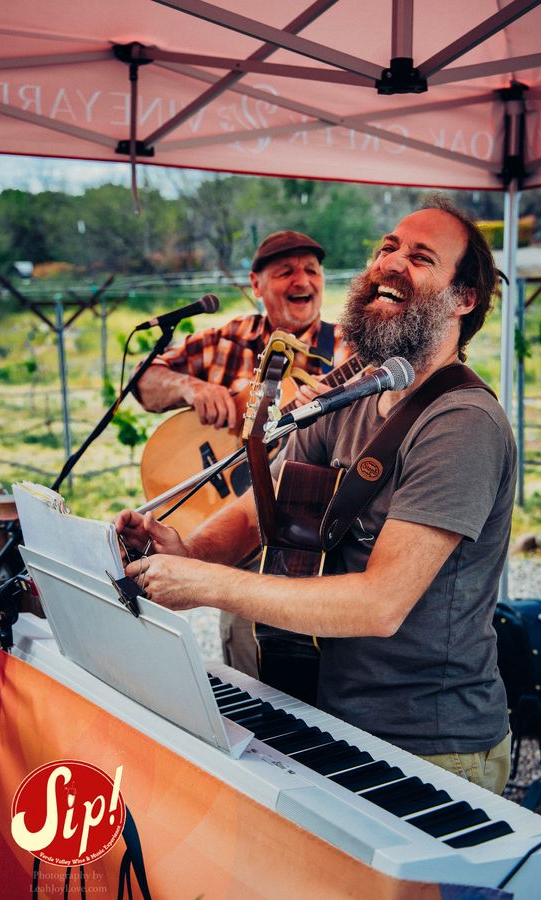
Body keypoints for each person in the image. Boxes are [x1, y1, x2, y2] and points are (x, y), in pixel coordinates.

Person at [117, 196, 516, 795]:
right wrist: (189, 552)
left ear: (464, 299)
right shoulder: (356, 392)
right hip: (327, 714)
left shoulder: (462, 422)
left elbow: (381, 603)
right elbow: (262, 506)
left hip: (430, 748)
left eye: (421, 257)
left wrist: (203, 585)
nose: (391, 262)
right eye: (387, 248)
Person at [134, 230, 352, 677]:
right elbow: (144, 381)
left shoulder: (348, 349)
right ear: (256, 284)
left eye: (312, 270)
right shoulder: (230, 338)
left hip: (310, 543)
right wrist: (189, 387)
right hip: (235, 537)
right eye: (286, 271)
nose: (302, 281)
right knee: (247, 667)